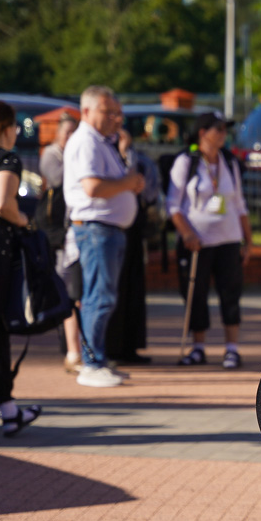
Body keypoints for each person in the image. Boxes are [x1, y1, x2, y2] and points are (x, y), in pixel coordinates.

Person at [64, 86, 145, 388]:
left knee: (103, 297)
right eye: (107, 112)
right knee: (98, 298)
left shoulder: (101, 141)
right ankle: (91, 363)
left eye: (116, 112)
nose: (115, 118)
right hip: (96, 229)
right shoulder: (86, 141)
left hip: (107, 229)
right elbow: (93, 187)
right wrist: (127, 182)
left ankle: (97, 359)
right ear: (86, 112)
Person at [167, 112, 252, 369]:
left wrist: (248, 240)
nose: (224, 134)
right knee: (196, 294)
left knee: (230, 292)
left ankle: (232, 348)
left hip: (228, 239)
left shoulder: (229, 161)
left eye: (226, 130)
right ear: (202, 132)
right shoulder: (186, 161)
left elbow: (239, 204)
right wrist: (187, 234)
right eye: (219, 129)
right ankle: (198, 347)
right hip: (197, 243)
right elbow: (173, 204)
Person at [0, 99, 41, 440]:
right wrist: (24, 220)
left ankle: (9, 412)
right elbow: (2, 203)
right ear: (3, 128)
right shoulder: (5, 159)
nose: (17, 132)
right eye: (14, 126)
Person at [105, 126, 160, 364]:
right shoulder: (104, 158)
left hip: (134, 231)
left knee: (134, 290)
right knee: (113, 290)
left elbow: (146, 190)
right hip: (111, 228)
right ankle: (109, 349)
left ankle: (130, 347)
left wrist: (129, 155)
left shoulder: (140, 160)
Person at [37, 113, 83, 374]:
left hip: (74, 230)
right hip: (58, 232)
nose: (70, 139)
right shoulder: (51, 154)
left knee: (76, 291)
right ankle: (69, 346)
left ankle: (75, 347)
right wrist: (77, 161)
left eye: (74, 134)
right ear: (57, 135)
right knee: (65, 288)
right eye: (67, 134)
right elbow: (57, 180)